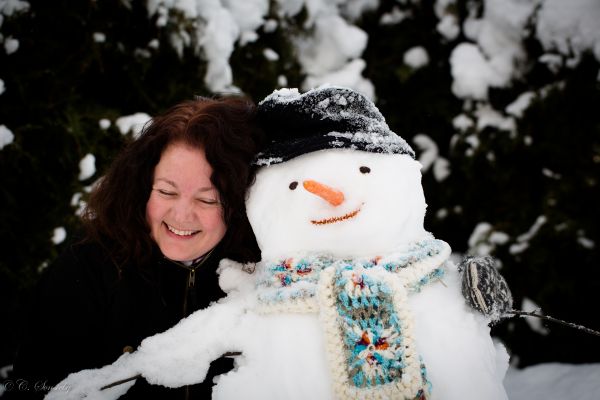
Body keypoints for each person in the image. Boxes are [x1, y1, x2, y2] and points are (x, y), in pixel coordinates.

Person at [7, 96, 264, 399]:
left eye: (207, 199)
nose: (181, 215)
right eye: (166, 191)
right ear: (143, 187)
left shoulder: (263, 274)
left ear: (238, 203)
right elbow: (32, 388)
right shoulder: (87, 268)